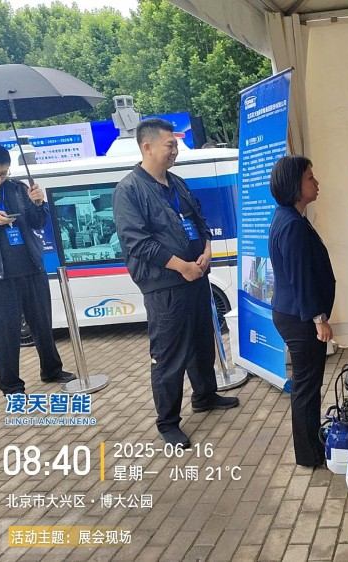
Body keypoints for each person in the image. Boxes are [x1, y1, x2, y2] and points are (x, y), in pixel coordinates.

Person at [113, 118, 238, 448]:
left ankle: (205, 396)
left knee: (201, 342)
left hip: (196, 275)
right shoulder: (129, 190)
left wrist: (207, 250)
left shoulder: (177, 183)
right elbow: (137, 243)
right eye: (170, 145)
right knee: (169, 355)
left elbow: (199, 220)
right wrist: (181, 267)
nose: (175, 151)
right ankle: (168, 422)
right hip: (165, 286)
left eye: (175, 145)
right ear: (147, 146)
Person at [269, 156, 335, 468]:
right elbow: (301, 278)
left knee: (307, 385)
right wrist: (319, 319)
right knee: (307, 387)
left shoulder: (288, 217)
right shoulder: (292, 224)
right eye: (310, 178)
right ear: (295, 185)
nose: (316, 182)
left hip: (294, 313)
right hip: (300, 318)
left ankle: (311, 443)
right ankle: (309, 453)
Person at [0, 143, 75, 395]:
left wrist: (38, 204)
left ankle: (51, 369)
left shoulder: (18, 189)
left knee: (42, 323)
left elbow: (37, 223)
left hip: (31, 266)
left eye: (3, 173)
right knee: (6, 331)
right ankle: (11, 385)